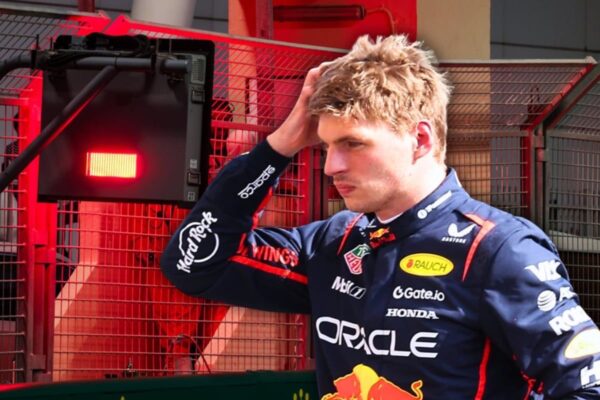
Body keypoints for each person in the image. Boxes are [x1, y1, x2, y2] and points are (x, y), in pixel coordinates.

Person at [160, 35, 600, 399]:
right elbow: (192, 264)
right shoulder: (333, 243)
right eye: (326, 145)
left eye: (352, 143)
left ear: (420, 139)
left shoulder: (499, 250)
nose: (331, 166)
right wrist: (279, 148)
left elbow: (585, 386)